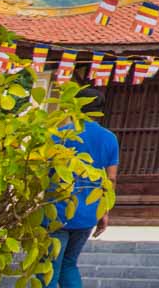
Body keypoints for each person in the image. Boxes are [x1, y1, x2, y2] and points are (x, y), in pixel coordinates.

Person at [48, 87, 119, 288]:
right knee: (69, 264)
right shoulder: (109, 138)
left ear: (76, 106)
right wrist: (104, 211)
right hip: (88, 211)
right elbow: (111, 178)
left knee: (50, 267)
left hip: (57, 210)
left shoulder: (59, 135)